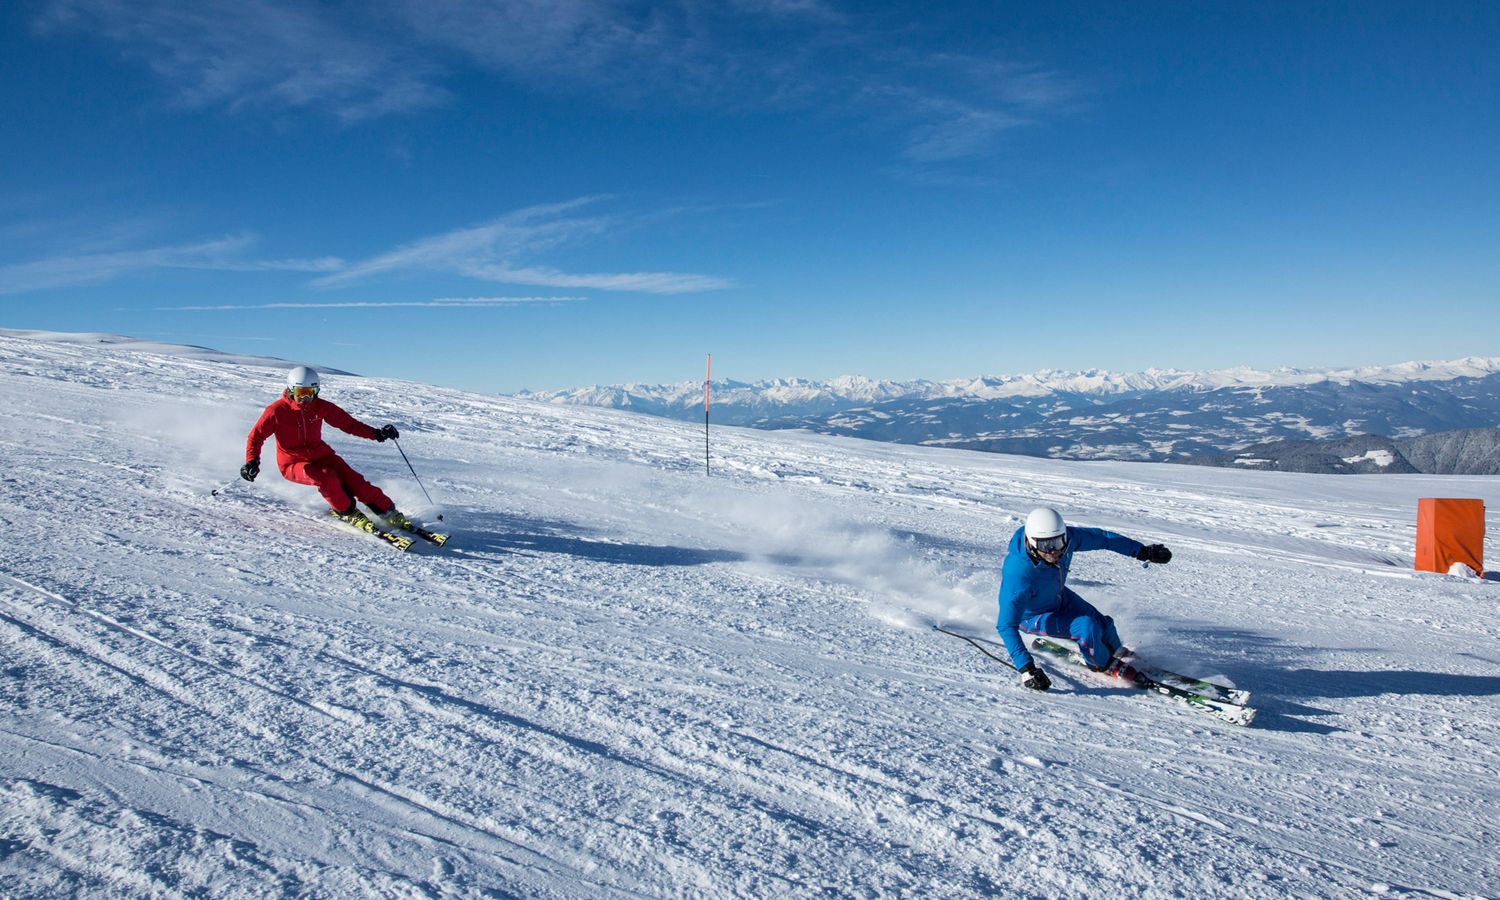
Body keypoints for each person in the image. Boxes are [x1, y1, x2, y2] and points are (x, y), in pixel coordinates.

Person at [997, 507, 1172, 692]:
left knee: (1103, 624)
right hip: (1032, 617)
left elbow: (1103, 538)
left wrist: (1142, 551)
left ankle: (1114, 651)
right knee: (1087, 627)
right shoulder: (1018, 574)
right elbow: (1006, 625)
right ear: (1032, 543)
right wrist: (1027, 669)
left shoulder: (1067, 540)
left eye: (1059, 542)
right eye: (1046, 546)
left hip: (1057, 596)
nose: (1055, 550)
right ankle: (1102, 664)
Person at [240, 366, 414, 531]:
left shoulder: (320, 407)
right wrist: (251, 461)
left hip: (321, 455)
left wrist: (377, 434)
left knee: (355, 481)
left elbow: (349, 424)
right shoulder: (276, 411)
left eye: (311, 392)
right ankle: (346, 511)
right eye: (302, 392)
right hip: (292, 464)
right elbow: (255, 437)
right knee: (325, 478)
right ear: (292, 390)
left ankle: (388, 511)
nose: (306, 398)